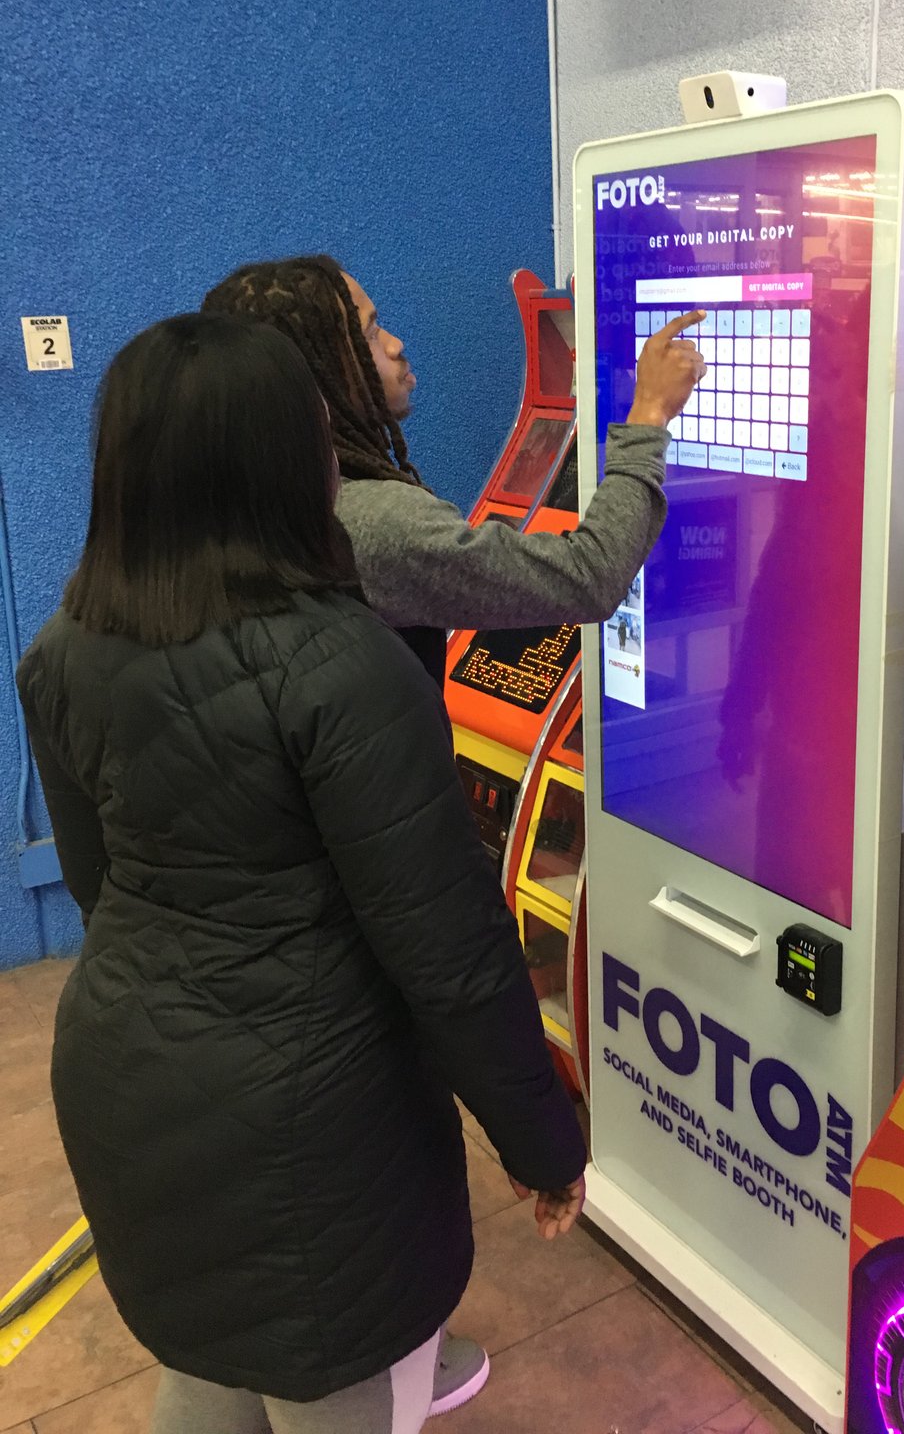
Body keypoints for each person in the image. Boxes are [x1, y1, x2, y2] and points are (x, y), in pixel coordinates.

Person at [17, 314, 587, 1434]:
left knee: (214, 1354)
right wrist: (542, 1139)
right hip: (314, 1121)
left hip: (125, 1074)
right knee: (330, 1374)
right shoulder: (343, 666)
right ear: (284, 460)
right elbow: (452, 950)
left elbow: (101, 886)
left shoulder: (60, 648)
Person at [200, 257, 705, 687]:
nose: (395, 344)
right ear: (317, 372)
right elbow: (590, 576)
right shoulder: (370, 524)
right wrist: (650, 412)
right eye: (370, 334)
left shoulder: (243, 498)